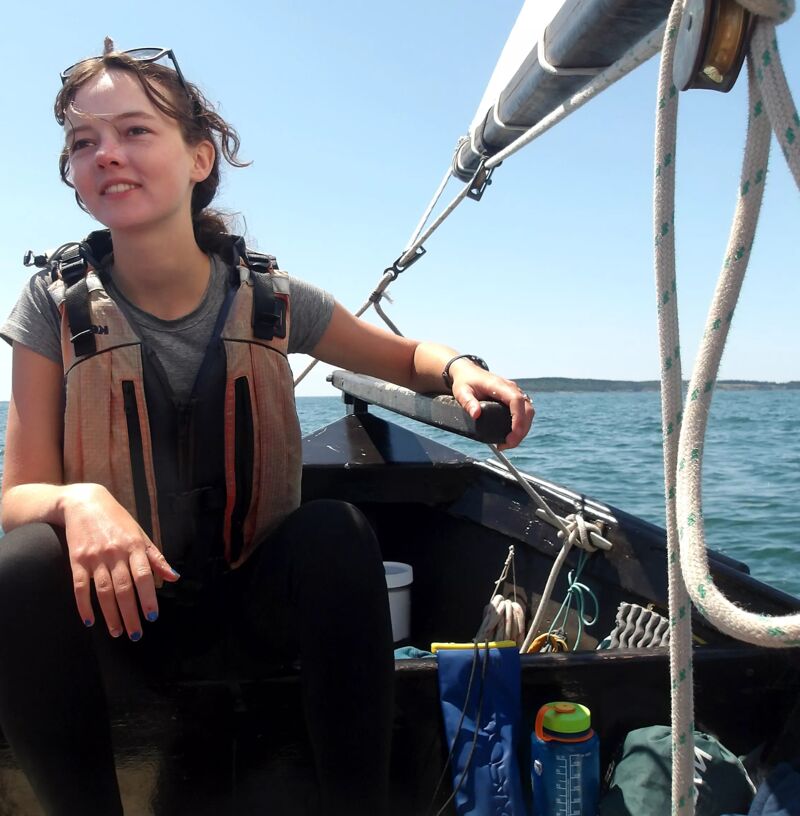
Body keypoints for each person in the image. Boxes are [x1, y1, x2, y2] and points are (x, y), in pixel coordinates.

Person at [0, 43, 534, 815]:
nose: (106, 154)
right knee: (19, 567)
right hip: (118, 624)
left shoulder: (274, 300)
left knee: (336, 534)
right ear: (76, 180)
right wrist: (75, 500)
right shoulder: (50, 310)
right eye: (84, 143)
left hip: (252, 609)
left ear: (198, 156)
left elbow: (407, 357)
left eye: (134, 132)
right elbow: (18, 497)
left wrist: (459, 368)